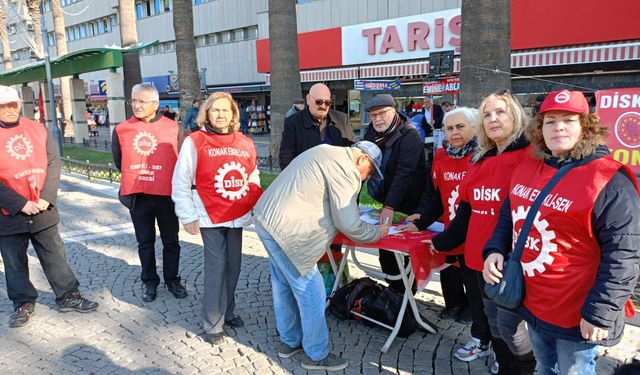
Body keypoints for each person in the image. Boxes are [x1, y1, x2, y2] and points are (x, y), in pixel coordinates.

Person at [483, 90, 640, 375]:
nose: (558, 127)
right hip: (533, 302)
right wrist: (494, 249)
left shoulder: (608, 179)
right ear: (539, 128)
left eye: (569, 120)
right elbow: (510, 214)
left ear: (586, 126)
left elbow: (624, 255)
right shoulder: (529, 165)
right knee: (544, 367)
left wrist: (599, 313)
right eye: (550, 121)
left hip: (576, 312)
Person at [423, 90, 536, 374]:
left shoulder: (531, 156)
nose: (493, 119)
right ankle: (500, 360)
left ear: (516, 116)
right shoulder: (481, 159)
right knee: (491, 320)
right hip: (476, 255)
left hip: (511, 262)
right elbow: (466, 209)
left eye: (500, 112)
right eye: (487, 114)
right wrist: (443, 240)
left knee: (514, 329)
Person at [253, 141, 388, 371]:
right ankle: (316, 355)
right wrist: (378, 233)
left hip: (266, 219)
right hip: (290, 231)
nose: (367, 177)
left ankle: (290, 342)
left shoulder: (328, 151)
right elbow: (348, 222)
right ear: (363, 159)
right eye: (371, 171)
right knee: (312, 290)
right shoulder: (346, 168)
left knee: (283, 283)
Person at [0, 85, 98, 328]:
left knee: (55, 255)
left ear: (19, 105)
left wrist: (45, 196)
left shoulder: (37, 128)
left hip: (43, 208)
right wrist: (20, 203)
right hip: (8, 213)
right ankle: (23, 301)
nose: (9, 110)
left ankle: (68, 296)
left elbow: (54, 162)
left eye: (13, 104)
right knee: (13, 261)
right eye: (3, 106)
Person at [172, 92, 261, 345]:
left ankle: (228, 311)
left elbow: (252, 176)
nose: (221, 115)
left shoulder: (244, 142)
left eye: (226, 110)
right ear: (206, 113)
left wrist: (252, 202)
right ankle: (212, 322)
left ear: (234, 114)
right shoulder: (195, 141)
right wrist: (187, 215)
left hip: (237, 214)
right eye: (215, 110)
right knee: (216, 267)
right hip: (209, 215)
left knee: (234, 266)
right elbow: (181, 180)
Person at [399, 107, 479, 324]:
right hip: (450, 227)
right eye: (449, 128)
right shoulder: (442, 156)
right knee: (450, 267)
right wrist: (421, 221)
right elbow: (438, 195)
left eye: (460, 127)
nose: (454, 133)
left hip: (475, 233)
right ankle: (454, 304)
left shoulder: (484, 158)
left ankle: (473, 313)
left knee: (472, 278)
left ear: (475, 127)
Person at [112, 83, 187, 303]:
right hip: (139, 195)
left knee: (171, 241)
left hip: (167, 196)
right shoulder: (122, 129)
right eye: (133, 101)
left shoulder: (173, 127)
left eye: (141, 101)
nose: (136, 105)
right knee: (145, 242)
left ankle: (172, 280)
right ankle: (149, 281)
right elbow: (119, 160)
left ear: (155, 104)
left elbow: (183, 161)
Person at [363, 94, 429, 293]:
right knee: (385, 250)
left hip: (411, 201)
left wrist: (389, 206)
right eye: (373, 115)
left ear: (394, 111)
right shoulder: (371, 133)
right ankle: (396, 291)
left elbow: (404, 174)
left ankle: (408, 293)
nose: (377, 119)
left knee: (405, 251)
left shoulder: (410, 135)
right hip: (386, 197)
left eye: (382, 113)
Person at [279, 83, 356, 169]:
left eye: (327, 102)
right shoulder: (293, 122)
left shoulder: (342, 119)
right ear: (308, 99)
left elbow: (353, 151)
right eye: (318, 102)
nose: (323, 106)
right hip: (305, 177)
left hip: (336, 177)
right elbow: (286, 156)